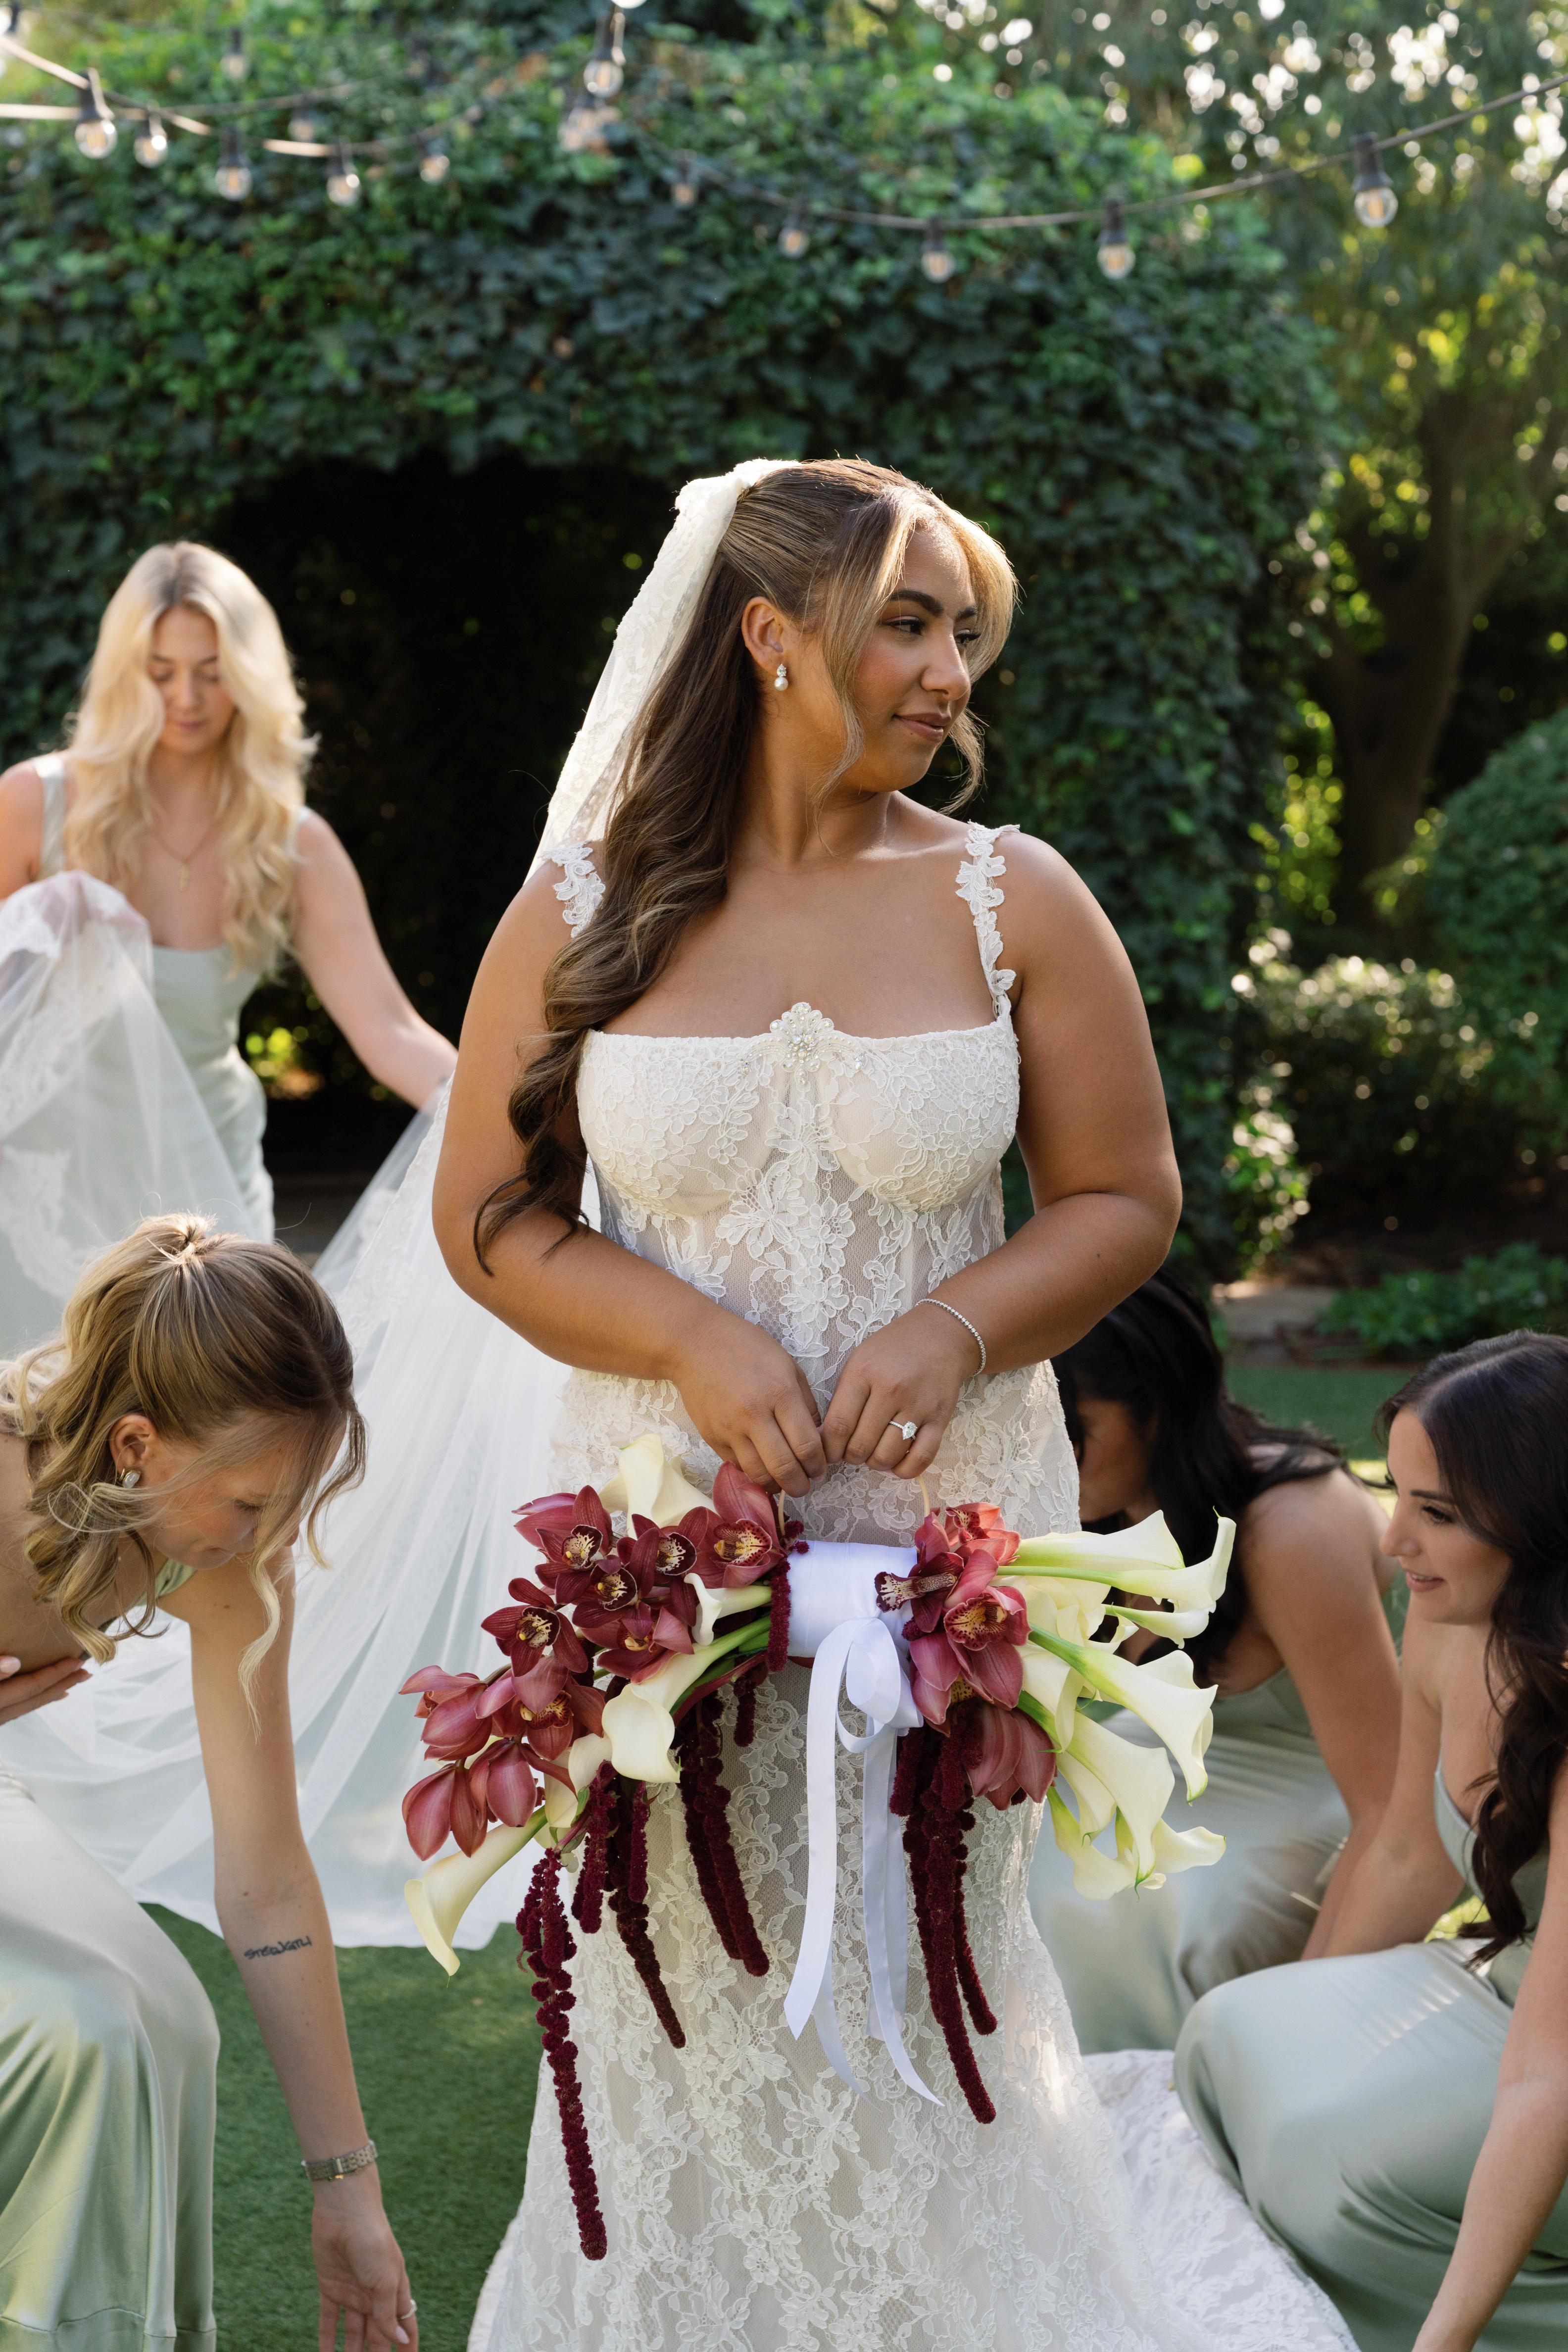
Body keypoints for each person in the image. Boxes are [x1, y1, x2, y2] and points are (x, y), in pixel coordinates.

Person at [429, 457, 1356, 2351]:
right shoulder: (582, 905)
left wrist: (952, 1323)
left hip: (933, 1566)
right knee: (671, 1997)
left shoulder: (1011, 896)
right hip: (658, 1558)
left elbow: (1124, 1195)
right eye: (906, 624)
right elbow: (487, 1218)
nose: (948, 667)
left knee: (929, 1982)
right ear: (768, 638)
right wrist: (682, 1339)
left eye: (959, 626)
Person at [0, 1215, 419, 2352]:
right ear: (137, 1445)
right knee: (80, 2028)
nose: (274, 1536)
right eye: (250, 1503)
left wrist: (350, 2195)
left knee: (175, 2024)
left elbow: (268, 1878)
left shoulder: (224, 1566)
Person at [1175, 1331, 1568, 2352]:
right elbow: (1405, 1854)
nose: (1393, 1543)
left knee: (1321, 2147)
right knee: (1230, 2035)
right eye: (1397, 1493)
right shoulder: (1454, 1617)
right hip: (1513, 1990)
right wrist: (1296, 2006)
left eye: (1436, 1514)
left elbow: (1547, 2073)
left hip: (1556, 2051)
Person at [0, 539, 455, 1350]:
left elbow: (388, 1031)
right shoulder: (35, 804)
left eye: (211, 670)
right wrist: (37, 929)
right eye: (160, 670)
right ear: (122, 673)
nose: (186, 697)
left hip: (205, 1186)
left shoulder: (293, 841)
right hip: (49, 1186)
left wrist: (521, 1117)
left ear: (249, 673)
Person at [1028, 1267, 1402, 2050]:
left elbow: (1390, 1798)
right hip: (1179, 1764)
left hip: (1331, 1775)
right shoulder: (1095, 1511)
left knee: (1191, 1911)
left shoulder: (1292, 1529)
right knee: (1027, 1867)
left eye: (1071, 1429)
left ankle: (1195, 2106)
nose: (1047, 1460)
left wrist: (1307, 2019)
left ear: (1157, 1405)